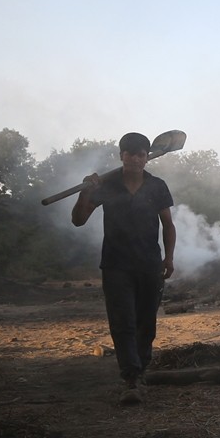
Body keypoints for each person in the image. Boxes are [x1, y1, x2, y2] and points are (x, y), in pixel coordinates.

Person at [72, 132, 176, 404]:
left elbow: (168, 225)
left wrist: (168, 258)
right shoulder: (106, 186)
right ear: (121, 156)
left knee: (146, 322)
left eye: (141, 154)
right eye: (130, 154)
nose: (135, 159)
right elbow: (79, 220)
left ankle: (141, 369)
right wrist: (85, 192)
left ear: (146, 157)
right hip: (116, 264)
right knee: (122, 322)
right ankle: (131, 377)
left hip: (149, 264)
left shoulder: (157, 186)